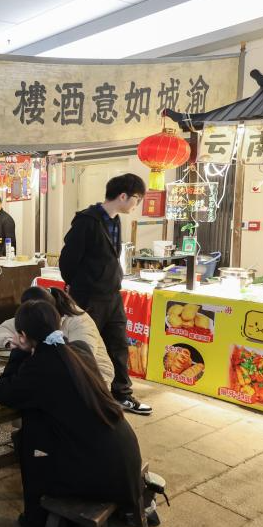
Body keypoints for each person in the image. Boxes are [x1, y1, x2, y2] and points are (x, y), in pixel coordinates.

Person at [0, 300, 144, 527]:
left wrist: (18, 352)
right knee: (39, 422)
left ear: (23, 336)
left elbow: (3, 393)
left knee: (33, 442)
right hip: (126, 460)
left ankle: (42, 522)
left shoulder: (40, 367)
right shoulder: (79, 350)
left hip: (102, 476)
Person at [60, 173, 152, 416]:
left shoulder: (115, 220)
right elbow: (67, 260)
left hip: (112, 295)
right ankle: (82, 396)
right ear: (123, 196)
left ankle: (121, 394)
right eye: (137, 199)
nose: (136, 205)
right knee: (86, 347)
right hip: (89, 297)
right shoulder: (87, 221)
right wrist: (77, 286)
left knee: (118, 344)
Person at [0, 286, 114, 386]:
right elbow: (1, 330)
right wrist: (13, 343)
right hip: (58, 373)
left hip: (94, 378)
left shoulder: (79, 321)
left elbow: (82, 359)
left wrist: (27, 353)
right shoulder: (35, 316)